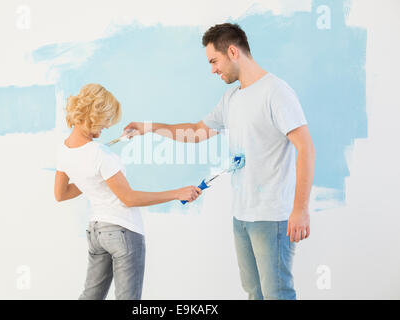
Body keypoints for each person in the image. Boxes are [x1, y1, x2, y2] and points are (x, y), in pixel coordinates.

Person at [123, 23, 315, 300]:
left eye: (214, 61)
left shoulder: (276, 92)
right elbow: (198, 132)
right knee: (254, 293)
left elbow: (306, 148)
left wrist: (300, 209)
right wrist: (150, 127)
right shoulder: (232, 98)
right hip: (242, 216)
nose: (213, 69)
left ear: (233, 51)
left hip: (272, 217)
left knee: (277, 294)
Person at [53, 83, 202, 300]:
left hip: (96, 232)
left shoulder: (64, 150)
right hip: (122, 230)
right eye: (105, 121)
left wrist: (92, 177)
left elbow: (61, 194)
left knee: (90, 296)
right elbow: (129, 199)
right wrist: (177, 193)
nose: (105, 127)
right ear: (95, 114)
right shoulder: (100, 154)